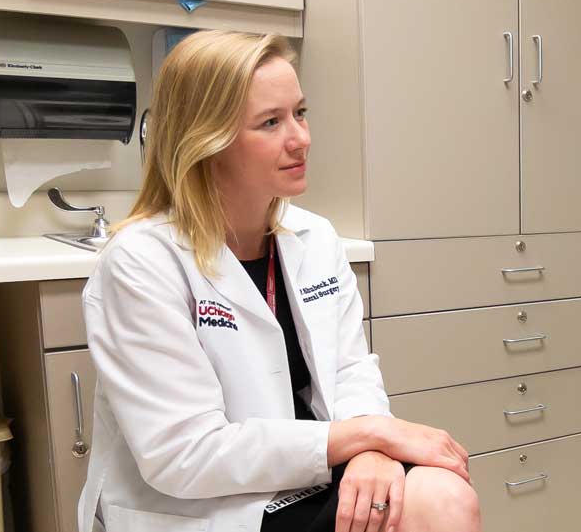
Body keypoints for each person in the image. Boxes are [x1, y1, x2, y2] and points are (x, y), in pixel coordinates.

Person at [77, 30, 481, 532]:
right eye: (270, 122)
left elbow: (352, 370)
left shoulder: (316, 238)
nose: (301, 139)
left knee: (446, 495)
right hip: (207, 502)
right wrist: (365, 438)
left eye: (300, 113)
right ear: (207, 140)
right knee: (427, 505)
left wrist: (372, 451)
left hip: (312, 470)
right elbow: (184, 454)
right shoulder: (141, 262)